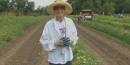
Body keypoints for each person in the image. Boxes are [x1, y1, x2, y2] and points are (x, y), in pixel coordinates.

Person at [39, 0, 78, 65]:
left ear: (64, 9)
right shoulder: (49, 24)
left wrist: (71, 40)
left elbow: (75, 37)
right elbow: (43, 41)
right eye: (57, 8)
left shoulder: (70, 22)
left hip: (68, 57)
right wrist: (55, 43)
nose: (59, 10)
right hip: (55, 59)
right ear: (54, 10)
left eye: (62, 7)